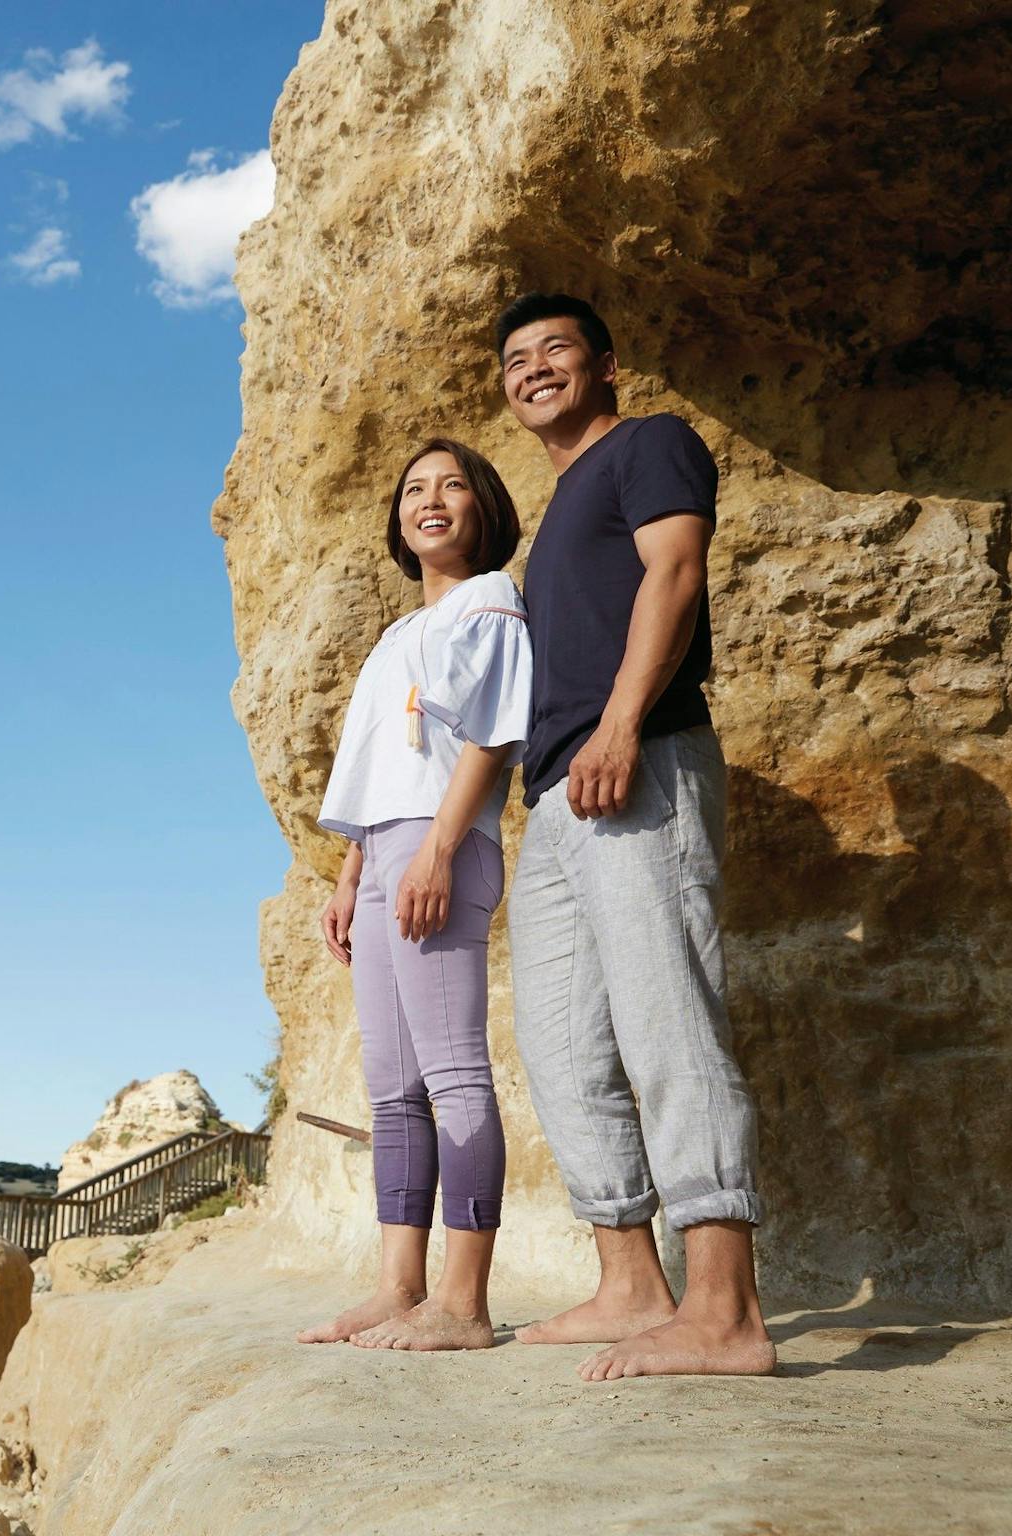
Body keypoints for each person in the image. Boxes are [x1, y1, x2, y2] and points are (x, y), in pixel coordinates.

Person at [496, 292, 774, 1380]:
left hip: (639, 757)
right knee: (562, 1047)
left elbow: (675, 571)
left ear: (604, 363)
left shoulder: (648, 445)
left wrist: (618, 724)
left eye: (553, 349)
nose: (532, 370)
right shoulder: (559, 504)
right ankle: (628, 1284)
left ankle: (725, 1312)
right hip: (558, 796)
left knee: (668, 1022)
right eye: (514, 360)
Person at [298, 437, 531, 1352]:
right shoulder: (397, 635)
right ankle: (400, 1286)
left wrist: (436, 851)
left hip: (444, 846)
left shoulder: (492, 600)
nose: (429, 501)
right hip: (382, 857)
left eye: (452, 486)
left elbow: (491, 739)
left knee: (453, 1072)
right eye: (413, 491)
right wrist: (351, 873)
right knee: (393, 1089)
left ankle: (465, 1304)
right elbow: (375, 769)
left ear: (484, 506)